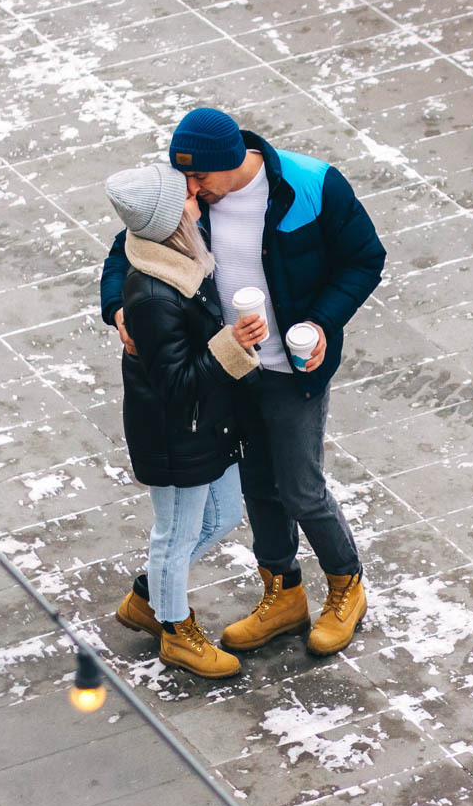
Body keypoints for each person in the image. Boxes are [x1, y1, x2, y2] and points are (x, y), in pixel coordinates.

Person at [100, 108, 386, 657]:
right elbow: (126, 249)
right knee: (259, 487)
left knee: (301, 488)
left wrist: (321, 323)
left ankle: (346, 585)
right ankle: (284, 594)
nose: (191, 188)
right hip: (228, 371)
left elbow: (363, 259)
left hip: (293, 368)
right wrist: (117, 308)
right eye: (184, 177)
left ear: (231, 161)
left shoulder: (311, 183)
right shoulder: (187, 198)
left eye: (199, 177)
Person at [104, 164, 268, 679]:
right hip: (177, 434)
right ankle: (176, 632)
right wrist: (232, 345)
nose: (198, 196)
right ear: (172, 219)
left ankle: (149, 598)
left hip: (206, 425)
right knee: (175, 536)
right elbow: (175, 385)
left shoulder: (180, 258)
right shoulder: (155, 295)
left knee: (222, 517)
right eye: (189, 197)